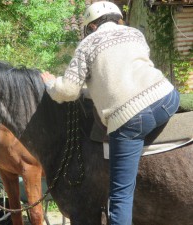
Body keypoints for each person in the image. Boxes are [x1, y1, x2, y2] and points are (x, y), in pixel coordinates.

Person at [40, 1, 180, 225]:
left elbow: (68, 90)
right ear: (117, 19)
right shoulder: (135, 33)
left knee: (120, 196)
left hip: (131, 118)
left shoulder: (86, 45)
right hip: (167, 98)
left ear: (92, 26)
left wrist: (50, 85)